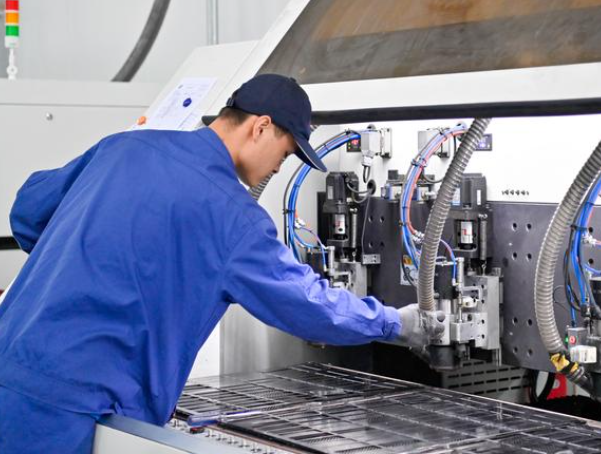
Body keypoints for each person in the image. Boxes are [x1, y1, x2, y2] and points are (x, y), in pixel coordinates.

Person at [0, 74, 444, 453]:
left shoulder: (123, 147)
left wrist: (78, 259)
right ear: (261, 127)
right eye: (285, 152)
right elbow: (307, 305)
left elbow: (27, 211)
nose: (279, 167)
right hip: (74, 411)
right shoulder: (232, 217)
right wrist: (396, 324)